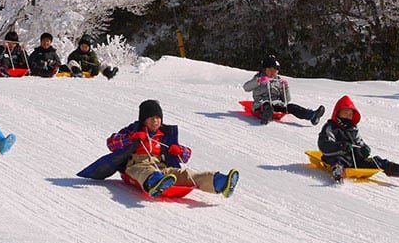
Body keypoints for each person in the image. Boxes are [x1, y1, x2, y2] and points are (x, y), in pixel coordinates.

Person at [105, 100, 239, 198]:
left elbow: (186, 156)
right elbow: (111, 143)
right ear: (143, 119)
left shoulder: (164, 134)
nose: (155, 121)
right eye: (151, 118)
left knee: (186, 174)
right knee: (144, 171)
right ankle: (154, 183)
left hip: (160, 166)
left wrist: (179, 150)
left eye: (158, 118)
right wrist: (131, 137)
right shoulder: (133, 130)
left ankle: (220, 182)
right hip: (136, 165)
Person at [318, 95, 399, 183]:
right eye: (345, 113)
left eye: (350, 114)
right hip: (335, 156)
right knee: (338, 160)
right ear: (338, 113)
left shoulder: (352, 129)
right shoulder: (330, 127)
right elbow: (324, 145)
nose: (348, 116)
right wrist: (341, 146)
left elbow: (359, 143)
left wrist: (364, 149)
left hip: (354, 161)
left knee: (377, 161)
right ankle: (338, 173)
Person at [242, 55, 324, 125]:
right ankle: (265, 116)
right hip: (261, 104)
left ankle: (312, 116)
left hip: (277, 104)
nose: (273, 73)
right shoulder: (258, 78)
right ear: (264, 69)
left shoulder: (278, 81)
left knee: (292, 107)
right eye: (270, 70)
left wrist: (285, 88)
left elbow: (286, 100)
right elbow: (246, 87)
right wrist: (258, 81)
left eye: (275, 71)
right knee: (267, 106)